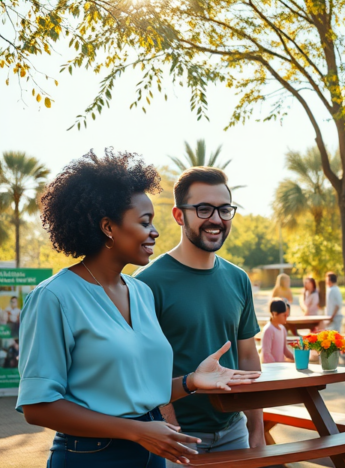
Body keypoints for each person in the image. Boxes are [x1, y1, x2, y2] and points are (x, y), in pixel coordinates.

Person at [16, 150, 260, 467]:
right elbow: (38, 406)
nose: (155, 232)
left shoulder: (140, 292)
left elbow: (142, 391)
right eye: (145, 223)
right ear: (108, 227)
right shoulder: (54, 297)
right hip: (91, 456)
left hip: (152, 451)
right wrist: (137, 431)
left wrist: (191, 381)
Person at [135, 167, 265, 466]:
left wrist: (256, 430)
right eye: (204, 209)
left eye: (224, 209)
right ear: (179, 215)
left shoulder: (238, 279)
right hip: (176, 437)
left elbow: (248, 357)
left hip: (235, 432)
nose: (216, 219)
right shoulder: (146, 283)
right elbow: (144, 368)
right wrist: (172, 430)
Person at [261, 299, 294, 363]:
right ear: (274, 314)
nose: (286, 317)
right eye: (284, 315)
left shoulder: (283, 329)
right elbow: (266, 354)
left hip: (280, 367)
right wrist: (277, 365)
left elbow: (285, 350)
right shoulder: (268, 330)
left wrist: (295, 359)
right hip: (272, 368)